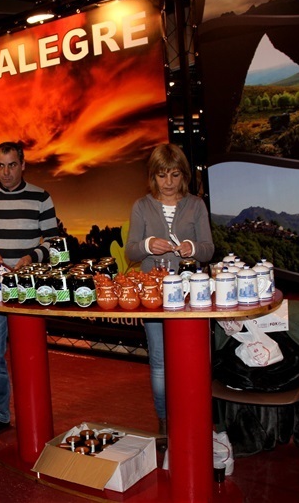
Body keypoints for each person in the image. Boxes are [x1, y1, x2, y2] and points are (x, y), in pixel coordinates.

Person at [0, 141, 59, 440]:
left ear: (23, 164)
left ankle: (34, 416)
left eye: (12, 165)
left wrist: (33, 256)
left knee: (29, 356)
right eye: (0, 166)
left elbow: (55, 242)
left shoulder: (41, 197)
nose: (6, 172)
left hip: (29, 289)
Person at [125, 143, 214, 437]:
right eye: (162, 175)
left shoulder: (196, 205)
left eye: (175, 175)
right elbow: (131, 252)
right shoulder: (141, 206)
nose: (168, 182)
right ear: (153, 176)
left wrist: (192, 248)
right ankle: (164, 422)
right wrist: (148, 244)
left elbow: (209, 250)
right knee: (160, 362)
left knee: (192, 360)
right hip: (154, 295)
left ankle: (193, 417)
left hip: (191, 295)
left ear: (184, 176)